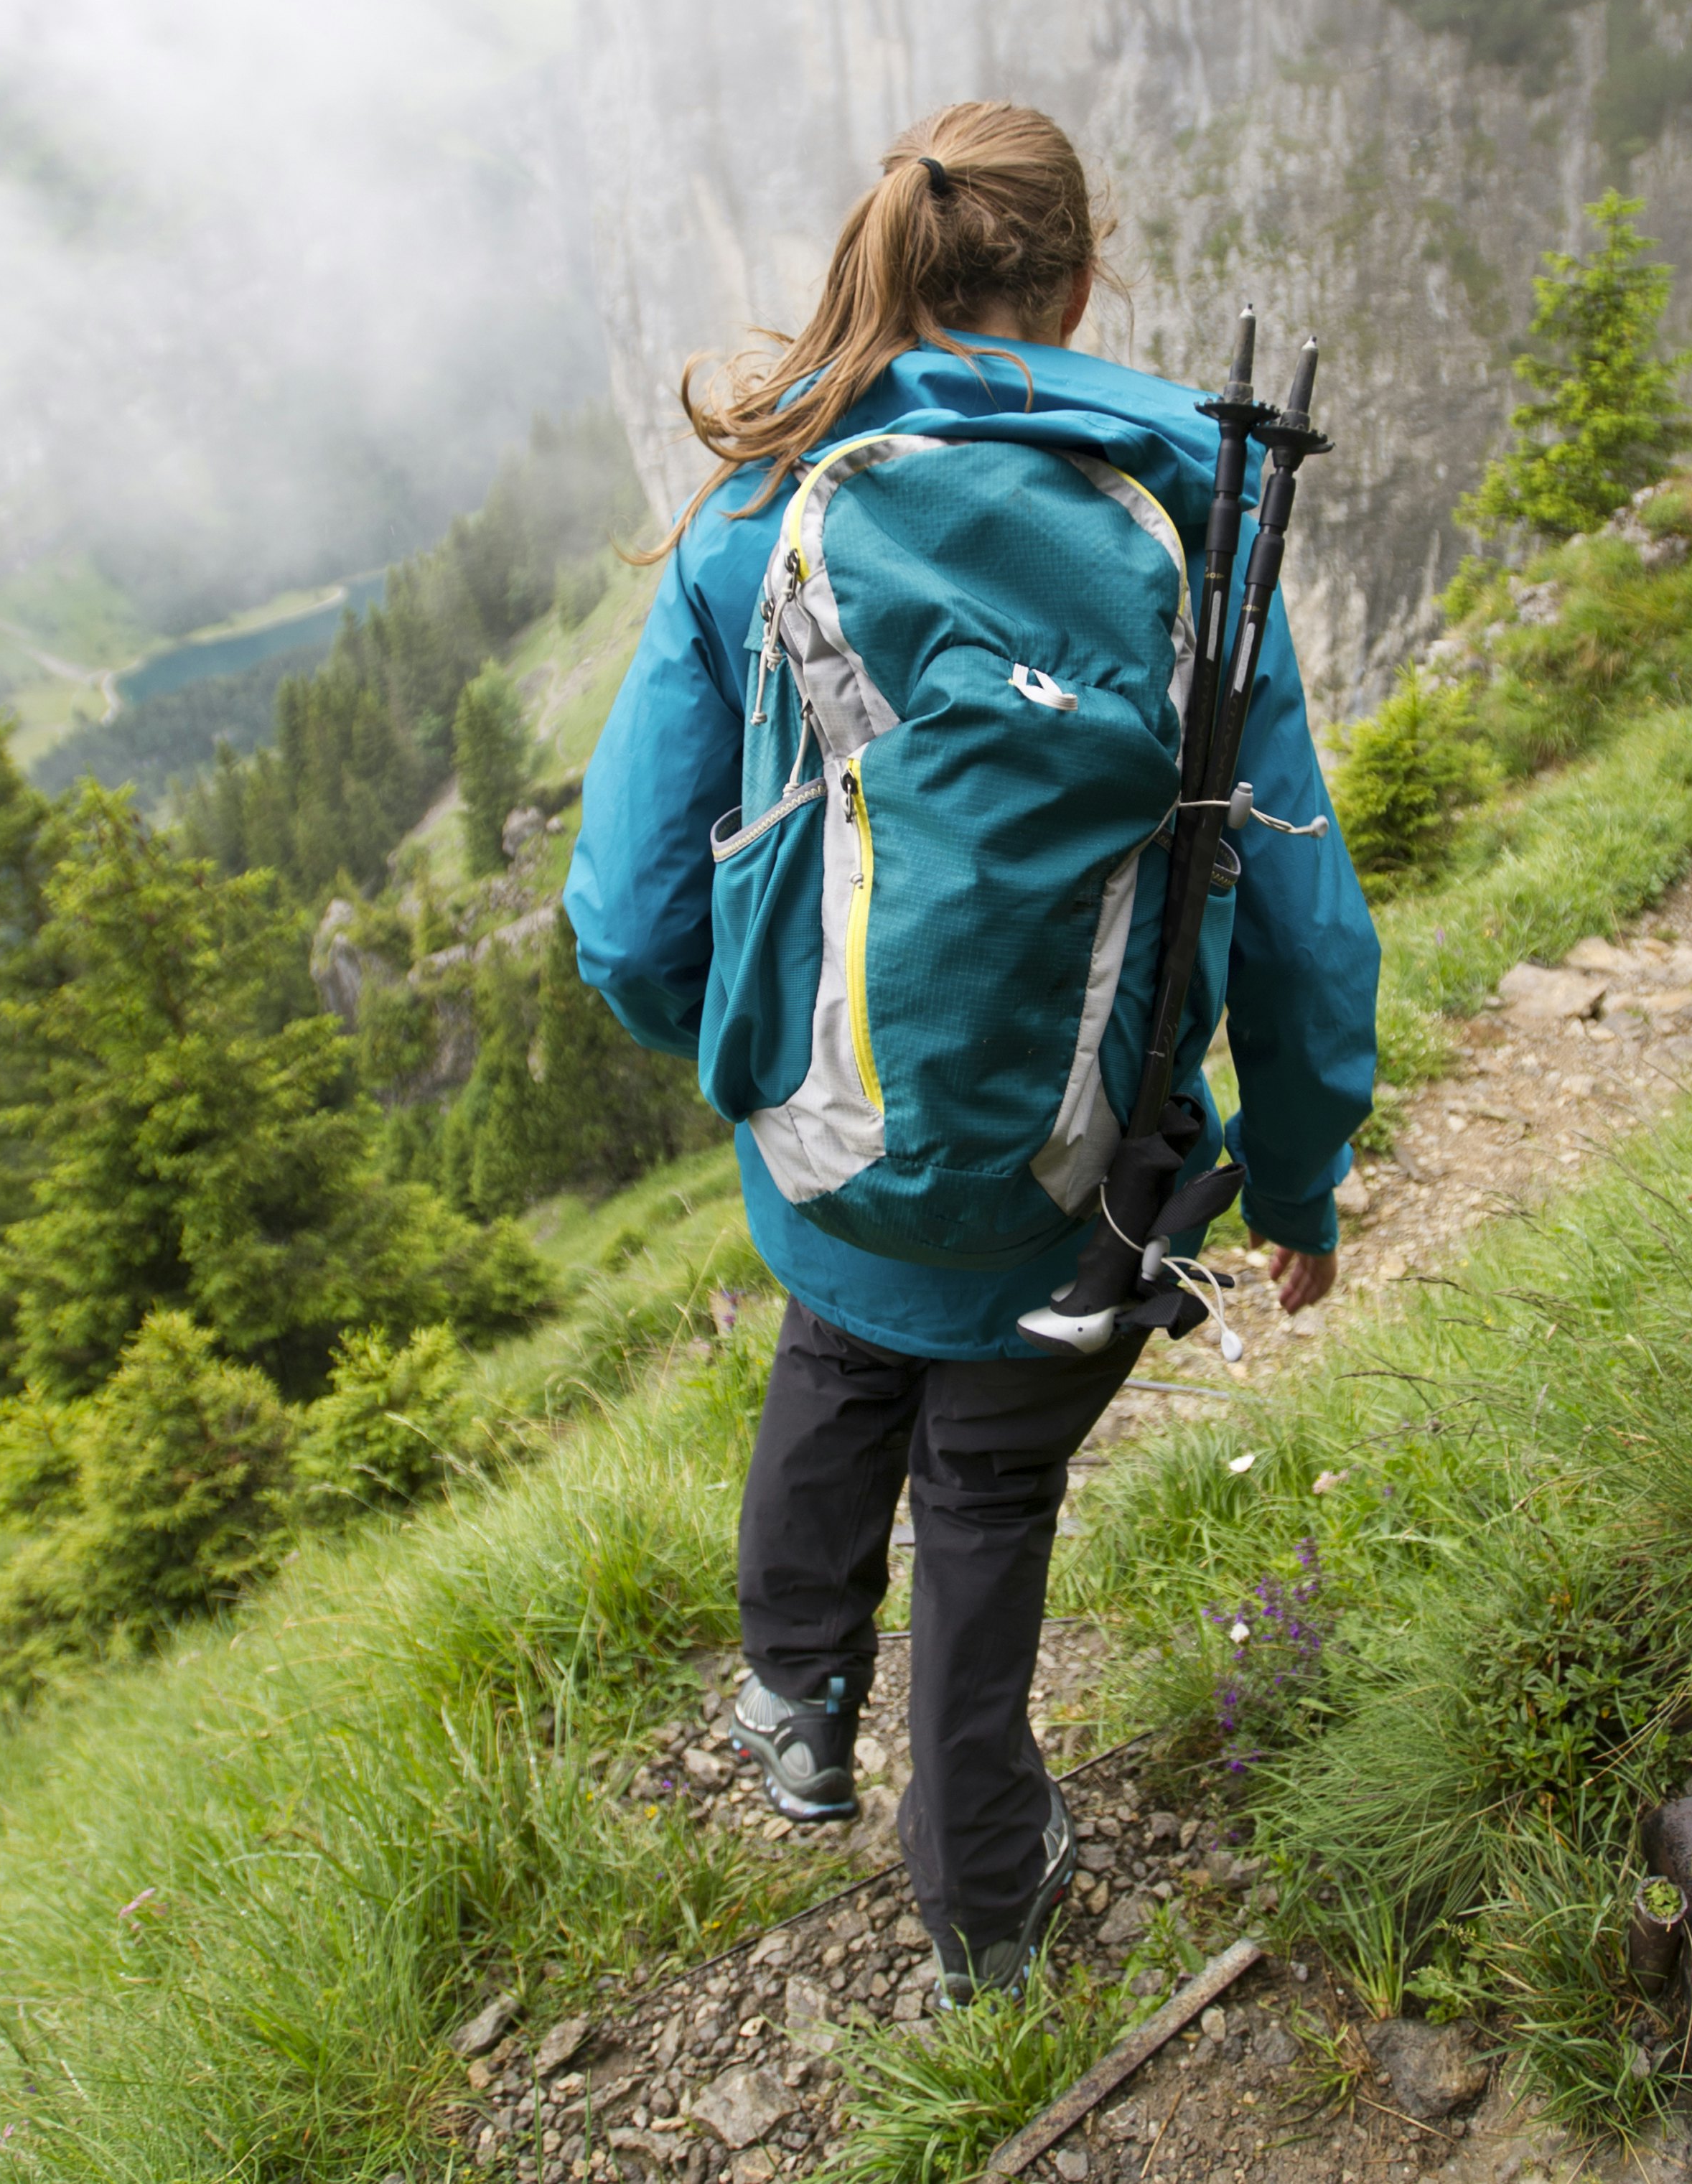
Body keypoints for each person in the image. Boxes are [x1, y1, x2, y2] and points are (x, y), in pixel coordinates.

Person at [566, 99, 1377, 2007]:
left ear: (891, 261)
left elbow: (621, 921)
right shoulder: (1200, 523)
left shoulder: (759, 516)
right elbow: (1300, 922)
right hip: (1074, 1184)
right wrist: (1301, 1168)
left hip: (832, 1150)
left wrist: (766, 1073)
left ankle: (793, 1701)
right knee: (987, 1510)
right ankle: (981, 1910)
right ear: (1081, 284)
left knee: (836, 1366)